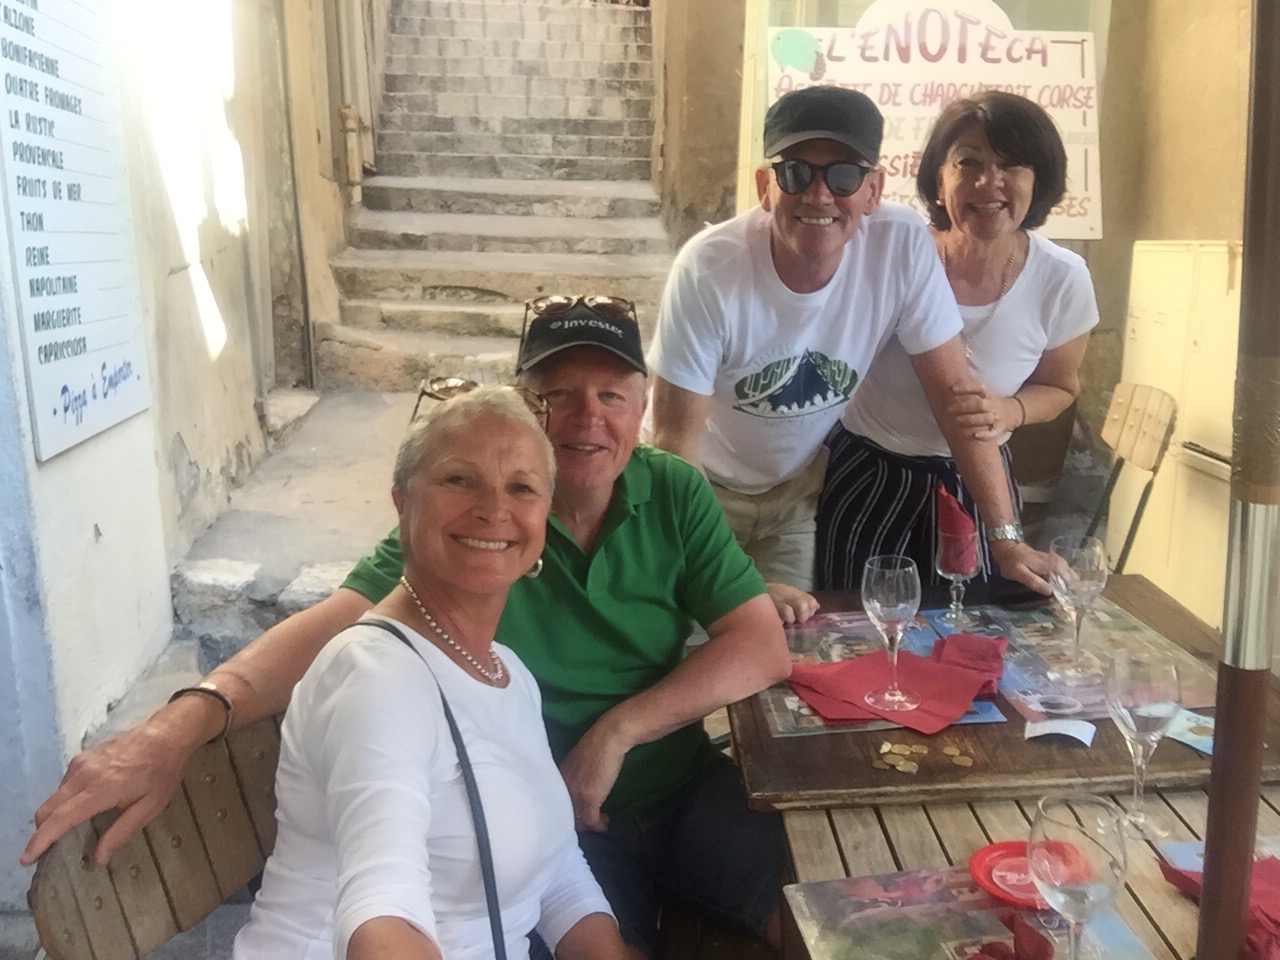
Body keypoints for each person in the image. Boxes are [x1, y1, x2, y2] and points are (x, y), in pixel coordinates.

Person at [24, 300, 793, 959]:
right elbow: (380, 901)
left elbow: (759, 646)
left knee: (810, 905)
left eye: (610, 395)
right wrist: (181, 724)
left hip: (620, 800)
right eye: (556, 395)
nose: (585, 417)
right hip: (549, 828)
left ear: (643, 406)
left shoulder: (509, 671)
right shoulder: (391, 656)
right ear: (405, 504)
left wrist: (614, 733)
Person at [234, 385, 634, 959]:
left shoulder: (506, 672)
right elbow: (382, 915)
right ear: (402, 505)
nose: (493, 509)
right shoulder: (376, 677)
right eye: (459, 480)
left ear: (545, 517)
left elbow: (556, 868)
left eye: (521, 487)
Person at [646, 84, 1053, 597]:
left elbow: (956, 398)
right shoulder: (708, 269)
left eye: (844, 175)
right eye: (795, 173)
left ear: (874, 190)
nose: (819, 195)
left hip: (794, 494)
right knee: (709, 630)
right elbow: (675, 446)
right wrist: (730, 583)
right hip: (700, 490)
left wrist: (1008, 540)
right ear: (765, 187)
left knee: (799, 637)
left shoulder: (900, 245)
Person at [816, 91, 1098, 589]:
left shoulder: (1062, 278)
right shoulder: (896, 251)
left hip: (980, 486)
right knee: (857, 620)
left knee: (976, 620)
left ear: (1040, 180)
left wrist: (1011, 411)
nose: (989, 182)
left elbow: (1061, 385)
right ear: (938, 178)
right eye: (969, 162)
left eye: (1012, 165)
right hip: (869, 474)